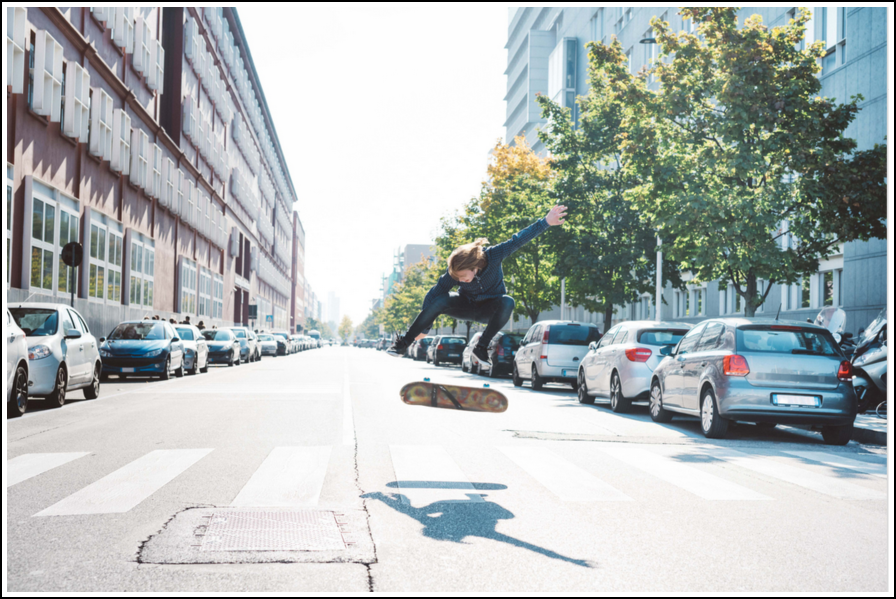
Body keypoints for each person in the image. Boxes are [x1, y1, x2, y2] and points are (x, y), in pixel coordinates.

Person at [387, 205, 568, 366]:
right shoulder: (454, 274)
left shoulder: (494, 256)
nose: (462, 281)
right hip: (465, 305)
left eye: (464, 278)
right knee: (440, 298)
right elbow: (432, 295)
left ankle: (481, 348)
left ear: (474, 267)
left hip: (489, 309)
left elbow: (518, 240)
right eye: (458, 279)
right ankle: (403, 343)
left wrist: (546, 222)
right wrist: (424, 329)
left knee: (508, 301)